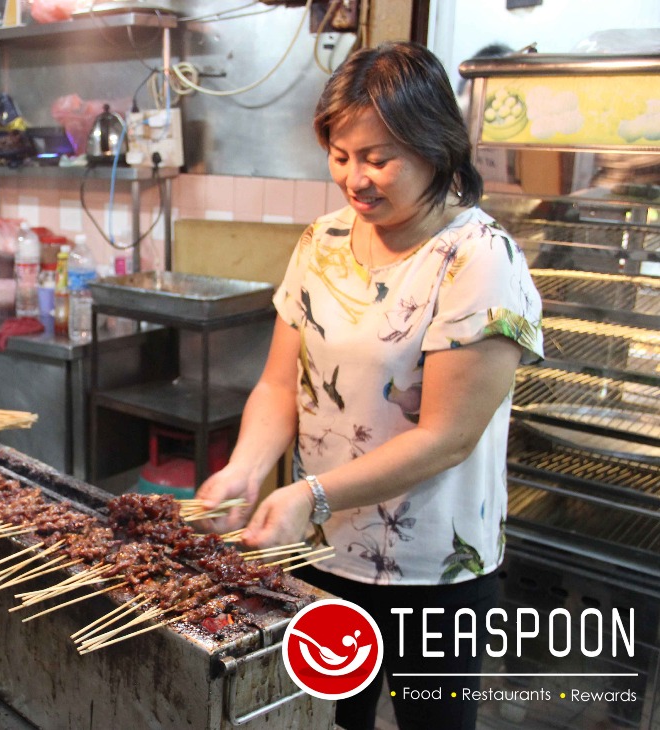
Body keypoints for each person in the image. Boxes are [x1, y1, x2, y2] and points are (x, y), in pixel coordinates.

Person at [197, 41, 543, 730]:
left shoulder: (480, 261)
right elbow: (277, 386)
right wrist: (247, 467)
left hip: (433, 570)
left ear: (435, 146)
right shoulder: (322, 241)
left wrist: (310, 493)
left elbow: (446, 438)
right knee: (325, 721)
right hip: (320, 554)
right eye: (342, 154)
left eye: (379, 157)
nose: (357, 178)